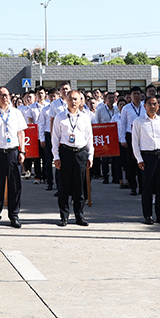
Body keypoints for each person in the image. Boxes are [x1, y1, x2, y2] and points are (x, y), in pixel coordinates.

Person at [0, 86, 27, 228]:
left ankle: (14, 216)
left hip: (13, 152)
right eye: (1, 95)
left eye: (6, 95)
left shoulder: (16, 113)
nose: (4, 97)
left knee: (15, 185)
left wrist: (22, 151)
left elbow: (21, 133)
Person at [51, 90, 94, 226]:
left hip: (80, 153)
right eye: (70, 98)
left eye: (76, 99)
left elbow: (89, 138)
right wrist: (56, 156)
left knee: (79, 187)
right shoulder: (60, 117)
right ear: (66, 100)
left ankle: (79, 216)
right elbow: (55, 138)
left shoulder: (85, 117)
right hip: (65, 153)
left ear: (81, 101)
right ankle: (64, 216)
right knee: (64, 187)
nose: (73, 101)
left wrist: (90, 155)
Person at [132, 94, 160, 225]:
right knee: (147, 186)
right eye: (149, 104)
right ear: (144, 106)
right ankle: (148, 215)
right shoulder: (138, 121)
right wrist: (139, 158)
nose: (152, 106)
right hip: (147, 156)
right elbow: (135, 142)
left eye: (155, 104)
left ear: (158, 106)